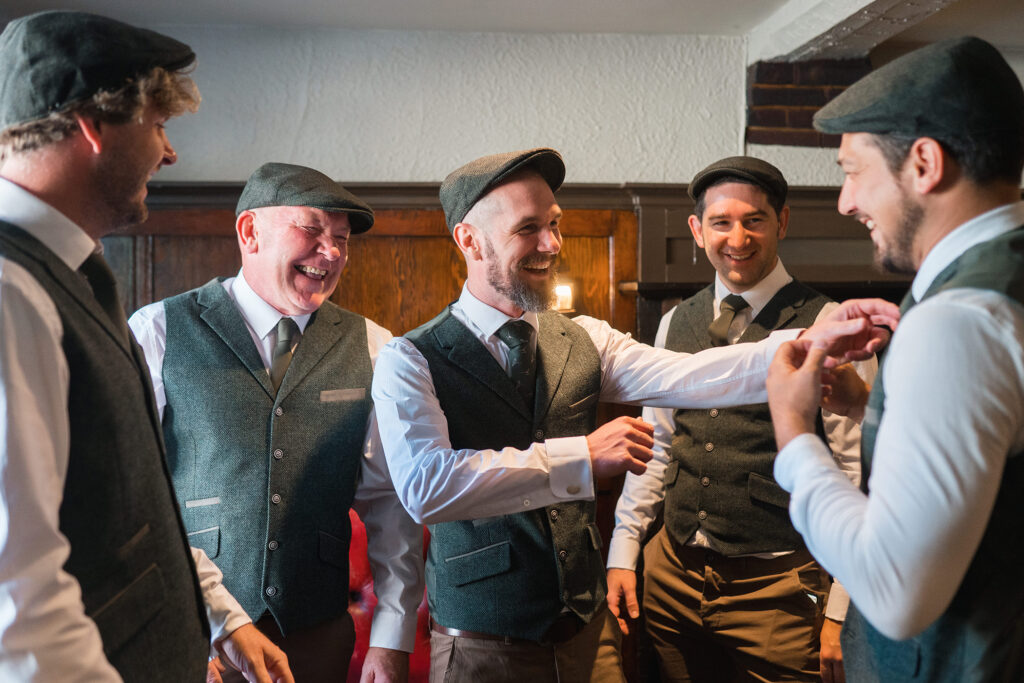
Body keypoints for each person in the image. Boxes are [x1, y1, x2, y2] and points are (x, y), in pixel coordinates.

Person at [370, 147, 896, 682]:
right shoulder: (409, 358)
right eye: (527, 229)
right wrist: (583, 456)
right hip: (482, 643)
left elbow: (692, 376)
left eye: (555, 225)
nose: (551, 245)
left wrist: (810, 340)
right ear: (468, 239)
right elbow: (425, 486)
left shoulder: (586, 338)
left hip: (588, 631)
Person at [0, 10, 291, 683]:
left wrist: (218, 618)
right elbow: (20, 609)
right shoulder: (13, 291)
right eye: (157, 125)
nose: (170, 152)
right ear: (91, 126)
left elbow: (124, 508)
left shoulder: (71, 274)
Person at [765, 36, 1024, 682]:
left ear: (925, 163)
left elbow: (893, 590)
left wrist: (793, 433)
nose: (846, 201)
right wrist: (870, 400)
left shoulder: (957, 323)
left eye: (852, 171)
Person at [130, 162, 425, 683]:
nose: (331, 251)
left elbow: (389, 506)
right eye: (312, 230)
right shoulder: (157, 331)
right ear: (250, 232)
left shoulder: (377, 348)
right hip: (191, 631)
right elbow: (132, 495)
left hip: (315, 633)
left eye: (341, 239)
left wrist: (391, 638)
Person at [607, 156, 870, 683]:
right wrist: (624, 549)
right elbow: (659, 444)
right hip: (672, 578)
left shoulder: (830, 325)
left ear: (783, 223)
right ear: (697, 230)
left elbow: (855, 472)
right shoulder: (673, 322)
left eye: (755, 220)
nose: (738, 238)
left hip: (779, 590)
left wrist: (842, 610)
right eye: (721, 222)